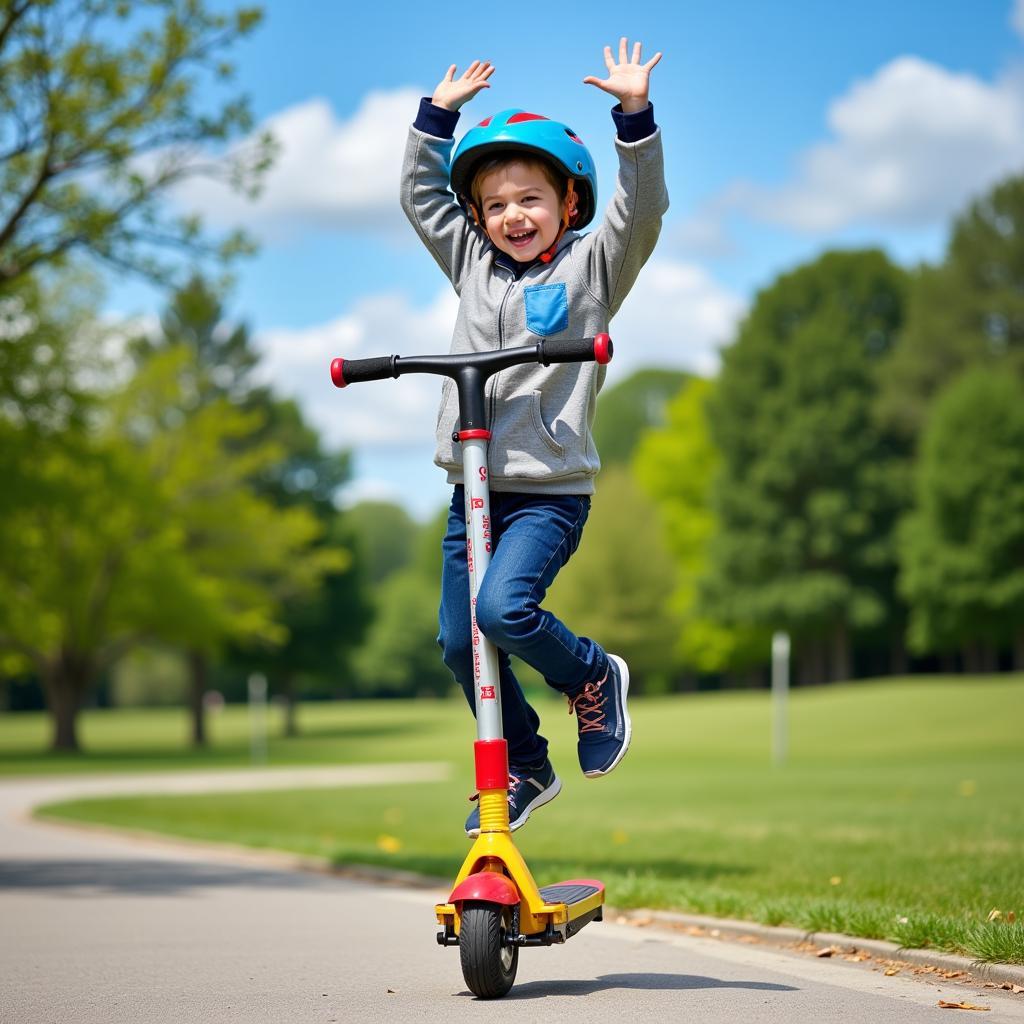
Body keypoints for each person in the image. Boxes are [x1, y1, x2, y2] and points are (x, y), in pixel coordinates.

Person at [400, 39, 668, 837]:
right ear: (478, 219)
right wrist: (435, 119)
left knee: (503, 610)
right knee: (458, 642)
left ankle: (591, 674)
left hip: (546, 494)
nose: (513, 215)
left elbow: (643, 209)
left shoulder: (594, 270)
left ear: (569, 206)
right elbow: (422, 199)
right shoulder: (473, 266)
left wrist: (633, 118)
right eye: (496, 205)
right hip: (471, 487)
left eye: (531, 199)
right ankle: (529, 762)